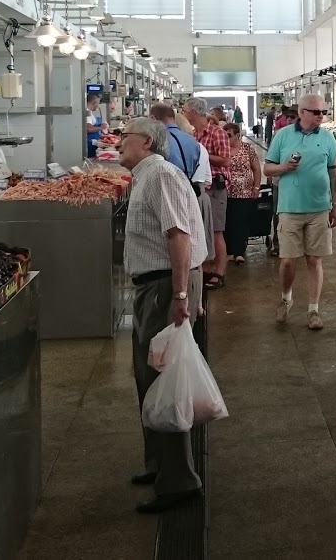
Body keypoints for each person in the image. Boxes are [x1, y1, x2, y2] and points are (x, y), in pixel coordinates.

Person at [116, 117, 206, 514]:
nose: (119, 142)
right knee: (147, 377)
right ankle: (158, 463)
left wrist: (181, 292)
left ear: (148, 142)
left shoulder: (161, 177)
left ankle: (178, 481)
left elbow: (179, 237)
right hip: (153, 286)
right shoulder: (146, 176)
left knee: (164, 380)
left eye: (125, 137)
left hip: (164, 286)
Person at [262, 95, 336, 330]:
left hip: (319, 208)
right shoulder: (283, 136)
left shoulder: (328, 138)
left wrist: (335, 205)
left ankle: (313, 310)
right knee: (287, 261)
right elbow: (267, 167)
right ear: (302, 112)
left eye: (323, 113)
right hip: (289, 208)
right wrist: (285, 167)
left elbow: (333, 173)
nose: (320, 117)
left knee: (315, 260)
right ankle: (286, 298)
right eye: (316, 112)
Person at [183, 97, 231, 289]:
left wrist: (201, 153)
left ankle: (219, 272)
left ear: (194, 112)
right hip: (200, 189)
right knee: (201, 231)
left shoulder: (217, 133)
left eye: (185, 110)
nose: (183, 113)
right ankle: (205, 268)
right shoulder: (194, 134)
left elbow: (226, 160)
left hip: (216, 189)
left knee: (217, 231)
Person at [222, 122, 261, 264]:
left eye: (229, 135)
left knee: (241, 222)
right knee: (227, 222)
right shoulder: (222, 150)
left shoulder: (247, 149)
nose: (226, 138)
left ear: (237, 135)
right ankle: (228, 251)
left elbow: (256, 168)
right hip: (225, 192)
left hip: (244, 193)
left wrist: (256, 188)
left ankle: (239, 251)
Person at [151, 103, 200, 179]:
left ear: (153, 118)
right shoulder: (192, 140)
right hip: (187, 185)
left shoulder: (157, 139)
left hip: (165, 185)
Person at [85, 94, 108, 158]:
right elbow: (88, 129)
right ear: (94, 103)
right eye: (98, 103)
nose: (98, 106)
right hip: (89, 145)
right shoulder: (87, 112)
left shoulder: (90, 112)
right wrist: (101, 127)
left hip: (93, 143)